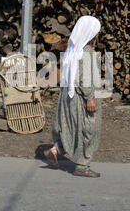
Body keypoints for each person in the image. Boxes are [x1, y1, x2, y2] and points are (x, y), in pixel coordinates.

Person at [44, 16, 103, 177]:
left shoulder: (74, 49)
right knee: (87, 129)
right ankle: (82, 166)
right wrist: (90, 97)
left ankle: (56, 150)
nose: (98, 35)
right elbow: (85, 79)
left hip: (69, 96)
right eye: (96, 32)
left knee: (72, 127)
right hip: (82, 98)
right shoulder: (84, 53)